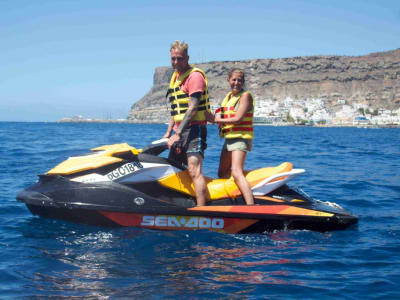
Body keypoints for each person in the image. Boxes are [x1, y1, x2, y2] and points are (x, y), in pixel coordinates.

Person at [162, 40, 211, 206]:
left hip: (194, 130)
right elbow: (176, 110)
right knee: (173, 170)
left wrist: (177, 134)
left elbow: (192, 110)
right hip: (179, 131)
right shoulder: (175, 77)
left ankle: (202, 210)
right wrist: (168, 133)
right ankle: (177, 203)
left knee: (193, 170)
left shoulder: (194, 76)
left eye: (180, 59)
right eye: (173, 58)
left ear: (187, 58)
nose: (176, 62)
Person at [207, 69, 255, 205]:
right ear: (228, 80)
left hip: (240, 138)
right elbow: (221, 115)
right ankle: (234, 196)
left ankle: (251, 205)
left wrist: (214, 120)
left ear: (243, 82)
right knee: (222, 172)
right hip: (229, 139)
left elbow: (238, 118)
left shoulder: (245, 96)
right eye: (234, 79)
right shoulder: (228, 97)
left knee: (236, 171)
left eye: (240, 80)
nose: (236, 82)